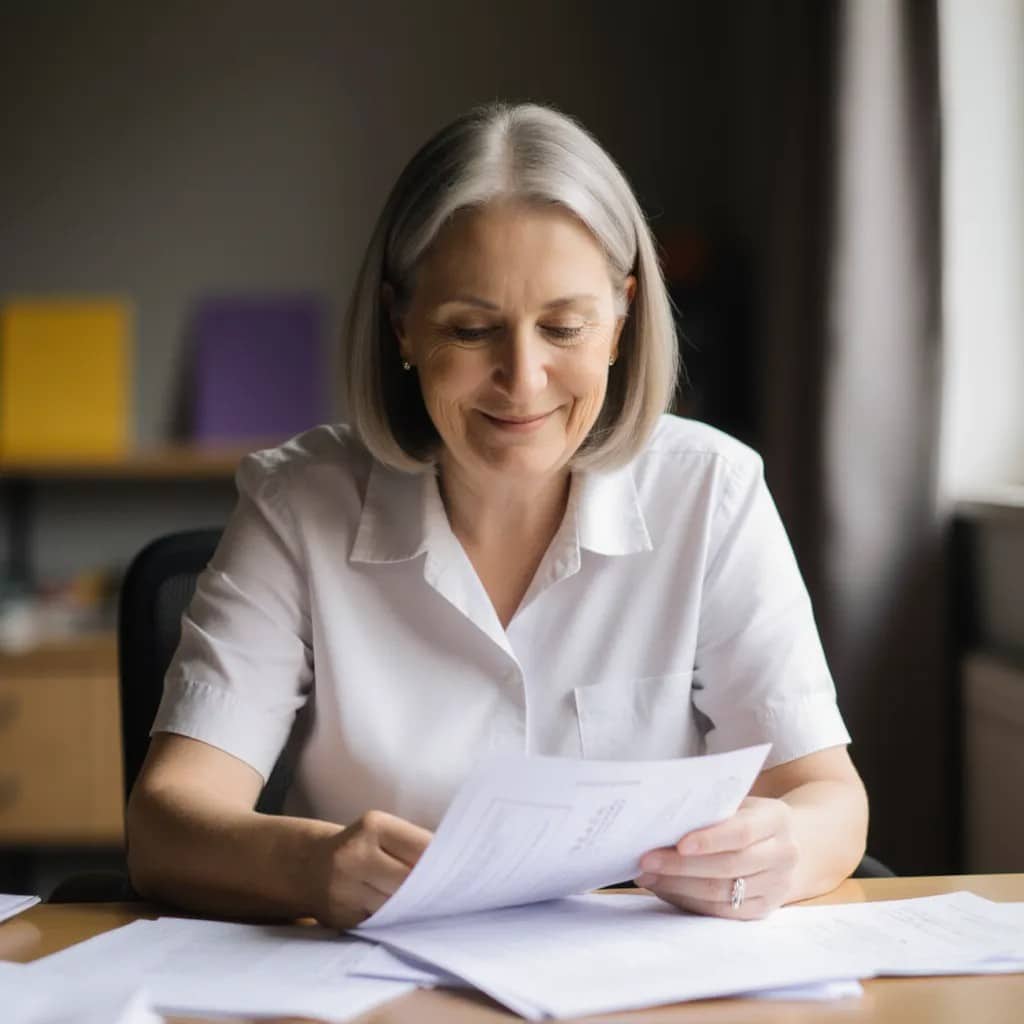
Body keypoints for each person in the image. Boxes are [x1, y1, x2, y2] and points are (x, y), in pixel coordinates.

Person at [126, 102, 868, 929]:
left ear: (620, 321)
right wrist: (311, 869)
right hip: (369, 989)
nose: (523, 378)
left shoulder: (712, 493)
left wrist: (779, 851)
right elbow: (166, 825)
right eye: (472, 330)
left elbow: (828, 799)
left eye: (564, 326)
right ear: (401, 323)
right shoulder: (299, 504)